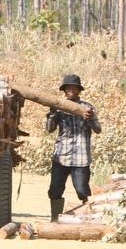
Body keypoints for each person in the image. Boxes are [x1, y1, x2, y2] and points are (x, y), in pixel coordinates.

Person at [46, 73, 102, 222]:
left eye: (74, 88)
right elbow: (49, 129)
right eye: (68, 88)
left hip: (81, 158)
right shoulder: (59, 106)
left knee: (83, 191)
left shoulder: (87, 108)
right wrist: (52, 114)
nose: (70, 90)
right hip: (61, 156)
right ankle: (55, 220)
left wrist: (90, 119)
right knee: (55, 190)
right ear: (64, 90)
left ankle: (89, 218)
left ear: (79, 90)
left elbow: (98, 129)